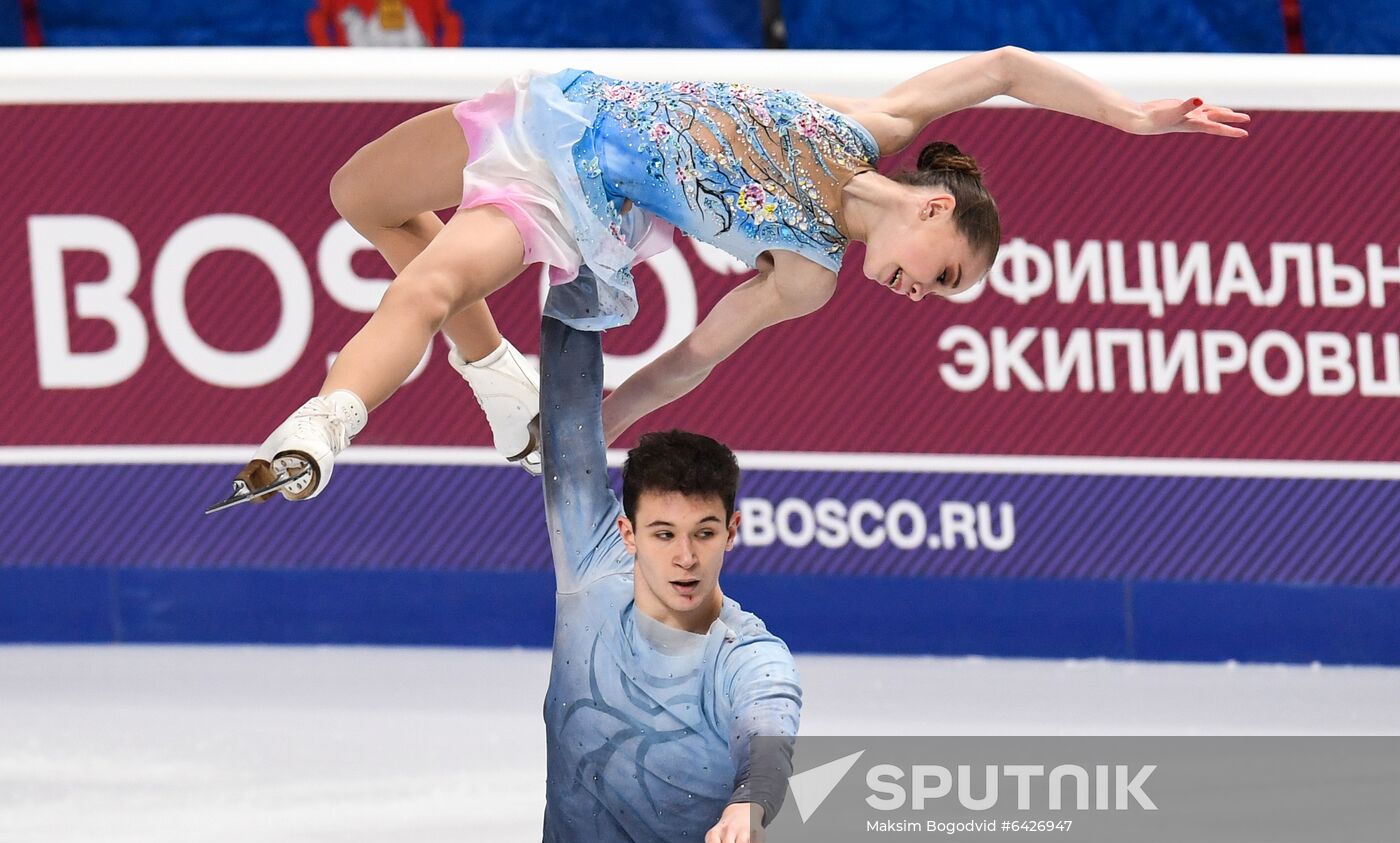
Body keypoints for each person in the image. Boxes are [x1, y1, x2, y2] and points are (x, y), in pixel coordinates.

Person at [227, 46, 1249, 503]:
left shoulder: (804, 276)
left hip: (574, 199)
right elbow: (1005, 64)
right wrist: (1131, 118)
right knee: (359, 194)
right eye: (940, 277)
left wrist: (584, 431)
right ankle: (493, 376)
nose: (921, 298)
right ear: (934, 208)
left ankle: (322, 425)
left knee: (428, 288)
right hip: (555, 105)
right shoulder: (876, 127)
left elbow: (686, 364)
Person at [527, 282, 801, 843]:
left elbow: (769, 744)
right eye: (663, 534)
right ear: (627, 532)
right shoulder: (590, 568)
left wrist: (748, 809)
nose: (685, 558)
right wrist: (583, 255)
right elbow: (568, 407)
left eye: (704, 533)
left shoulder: (748, 655)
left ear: (732, 531)